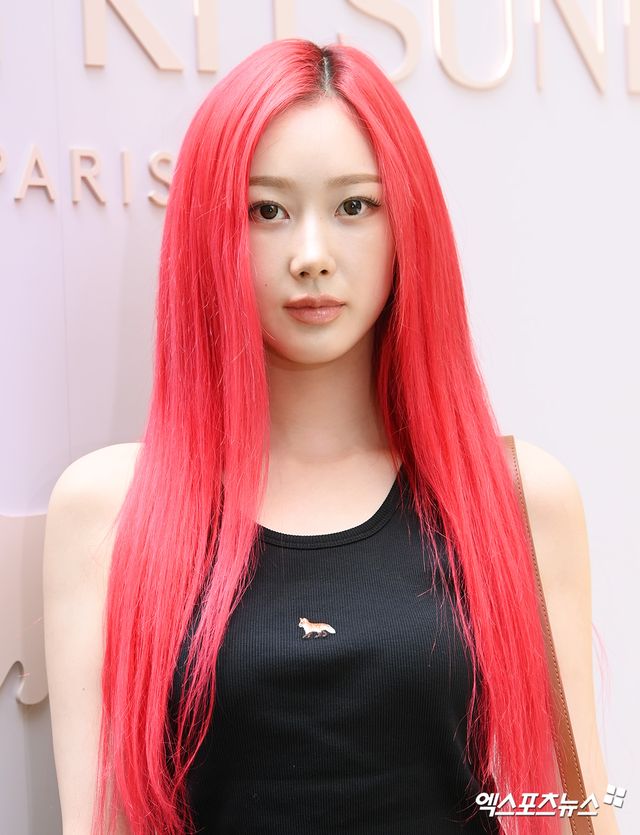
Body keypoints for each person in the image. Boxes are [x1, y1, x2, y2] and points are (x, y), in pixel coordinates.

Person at [42, 38, 619, 835]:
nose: (311, 257)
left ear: (406, 223)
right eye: (266, 211)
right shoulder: (111, 512)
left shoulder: (517, 498)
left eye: (354, 206)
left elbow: (573, 806)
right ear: (211, 232)